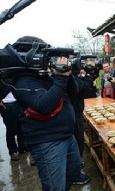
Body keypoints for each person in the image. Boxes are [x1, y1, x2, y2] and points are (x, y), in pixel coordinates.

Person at [11, 36, 89, 190]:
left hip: (67, 135)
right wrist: (60, 78)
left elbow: (73, 91)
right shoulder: (22, 82)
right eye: (42, 54)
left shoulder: (45, 75)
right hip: (48, 142)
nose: (47, 58)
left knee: (71, 175)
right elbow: (44, 105)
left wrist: (68, 73)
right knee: (55, 187)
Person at [0, 91, 26, 161]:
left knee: (21, 127)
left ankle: (22, 147)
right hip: (6, 104)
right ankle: (13, 152)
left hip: (17, 102)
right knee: (11, 129)